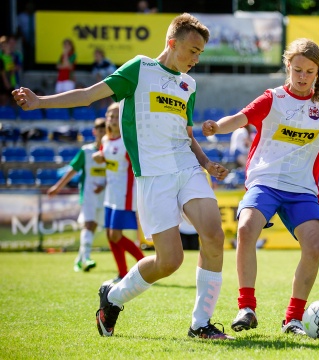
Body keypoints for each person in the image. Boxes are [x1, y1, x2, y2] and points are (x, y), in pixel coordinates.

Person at [12, 13, 233, 340]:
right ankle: (112, 298)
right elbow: (89, 94)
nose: (196, 58)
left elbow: (185, 133)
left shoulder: (189, 84)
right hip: (153, 175)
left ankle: (201, 324)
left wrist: (206, 162)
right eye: (192, 50)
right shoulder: (140, 68)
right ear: (172, 43)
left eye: (201, 53)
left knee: (214, 236)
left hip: (187, 168)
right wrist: (40, 101)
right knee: (169, 261)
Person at [201, 38, 319, 336]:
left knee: (314, 246)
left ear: (317, 72)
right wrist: (217, 127)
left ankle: (293, 319)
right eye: (297, 69)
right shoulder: (272, 98)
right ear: (288, 67)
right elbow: (240, 118)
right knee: (245, 229)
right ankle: (246, 307)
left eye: (309, 71)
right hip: (265, 182)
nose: (302, 76)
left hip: (302, 190)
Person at [92, 103, 145, 283]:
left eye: (116, 116)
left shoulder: (128, 140)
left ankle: (144, 262)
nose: (112, 119)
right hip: (110, 194)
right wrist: (100, 156)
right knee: (110, 236)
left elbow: (138, 163)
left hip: (125, 195)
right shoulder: (106, 140)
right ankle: (122, 273)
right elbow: (106, 157)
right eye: (109, 116)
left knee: (115, 235)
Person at [47, 117, 107, 272]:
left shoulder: (111, 151)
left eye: (104, 130)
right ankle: (86, 258)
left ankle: (79, 259)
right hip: (88, 195)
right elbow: (72, 170)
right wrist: (57, 187)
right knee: (88, 225)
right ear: (94, 132)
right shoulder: (86, 151)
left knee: (93, 227)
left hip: (105, 196)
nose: (102, 133)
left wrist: (104, 185)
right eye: (99, 130)